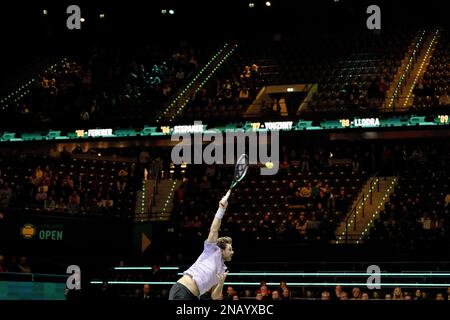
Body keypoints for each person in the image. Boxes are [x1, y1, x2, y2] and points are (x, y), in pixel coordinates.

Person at [169, 194, 234, 300]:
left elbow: (215, 296)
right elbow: (214, 229)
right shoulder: (212, 250)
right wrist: (221, 209)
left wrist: (221, 283)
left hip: (194, 296)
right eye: (230, 249)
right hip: (183, 290)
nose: (232, 252)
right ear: (221, 250)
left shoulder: (222, 270)